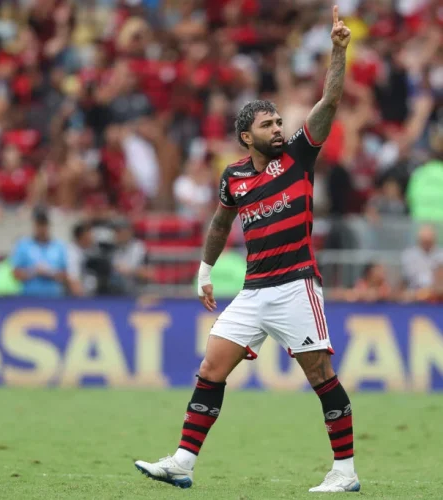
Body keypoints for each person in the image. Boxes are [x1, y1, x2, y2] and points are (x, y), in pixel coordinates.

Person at [135, 6, 360, 494]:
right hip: (254, 290)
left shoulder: (300, 156)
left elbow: (330, 100)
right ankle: (182, 461)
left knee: (321, 375)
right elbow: (220, 222)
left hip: (297, 285)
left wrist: (339, 51)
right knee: (210, 370)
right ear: (246, 136)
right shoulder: (234, 177)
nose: (278, 129)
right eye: (268, 125)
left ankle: (345, 470)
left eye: (279, 121)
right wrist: (204, 270)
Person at [11, 207, 68, 297]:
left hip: (54, 298)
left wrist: (50, 272)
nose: (42, 228)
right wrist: (33, 271)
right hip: (29, 297)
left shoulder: (59, 246)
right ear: (34, 225)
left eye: (44, 224)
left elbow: (65, 275)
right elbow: (15, 274)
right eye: (39, 224)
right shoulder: (23, 245)